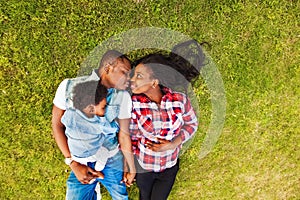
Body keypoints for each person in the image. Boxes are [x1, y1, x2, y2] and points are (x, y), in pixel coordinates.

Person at [52, 50, 136, 200]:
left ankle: (95, 186)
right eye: (125, 72)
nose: (129, 79)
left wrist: (131, 166)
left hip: (111, 157)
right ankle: (93, 189)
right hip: (80, 159)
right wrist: (72, 162)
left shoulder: (123, 97)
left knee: (121, 197)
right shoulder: (69, 86)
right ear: (108, 67)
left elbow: (124, 135)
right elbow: (57, 125)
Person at [130, 41, 205, 200]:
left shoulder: (179, 100)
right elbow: (131, 137)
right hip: (145, 167)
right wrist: (131, 165)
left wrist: (173, 143)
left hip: (169, 167)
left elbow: (192, 124)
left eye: (139, 76)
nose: (132, 80)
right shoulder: (133, 105)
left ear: (154, 82)